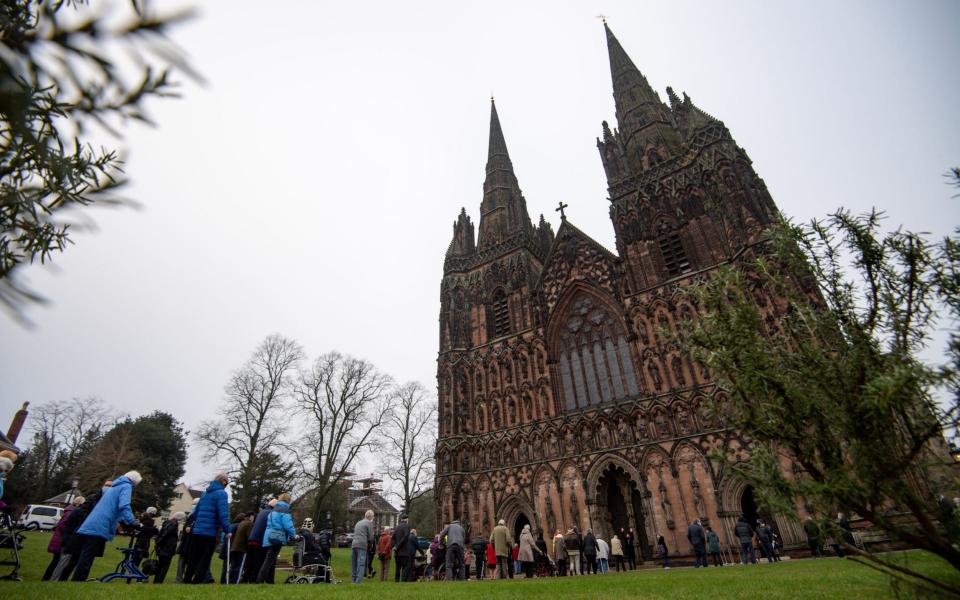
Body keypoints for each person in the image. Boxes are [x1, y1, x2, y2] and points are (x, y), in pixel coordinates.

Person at [72, 471, 142, 581]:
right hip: (101, 524)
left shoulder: (115, 486)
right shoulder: (126, 486)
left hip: (94, 522)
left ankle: (78, 578)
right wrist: (132, 521)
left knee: (86, 553)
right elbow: (124, 505)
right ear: (134, 482)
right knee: (88, 555)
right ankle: (78, 580)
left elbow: (114, 506)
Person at [184, 473, 231, 584]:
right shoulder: (222, 494)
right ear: (223, 481)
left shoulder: (205, 494)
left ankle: (186, 579)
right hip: (209, 532)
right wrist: (227, 530)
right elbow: (223, 514)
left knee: (193, 558)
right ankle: (197, 581)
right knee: (205, 559)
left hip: (197, 531)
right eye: (226, 482)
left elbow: (196, 513)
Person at [257, 493, 297, 583]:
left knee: (270, 561)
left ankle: (269, 582)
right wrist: (294, 535)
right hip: (277, 537)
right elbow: (288, 525)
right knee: (268, 561)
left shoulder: (274, 509)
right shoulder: (284, 509)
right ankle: (259, 581)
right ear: (288, 500)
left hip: (269, 536)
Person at [43, 495, 84, 580]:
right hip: (61, 540)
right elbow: (63, 526)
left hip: (59, 538)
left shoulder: (68, 511)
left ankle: (47, 578)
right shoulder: (71, 512)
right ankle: (47, 578)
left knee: (56, 561)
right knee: (57, 562)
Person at [243, 497, 276, 583]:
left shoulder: (261, 512)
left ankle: (244, 580)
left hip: (252, 539)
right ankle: (254, 580)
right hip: (260, 540)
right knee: (258, 562)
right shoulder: (271, 513)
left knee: (250, 562)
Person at [153, 511, 182, 584]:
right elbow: (166, 534)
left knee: (160, 565)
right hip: (168, 548)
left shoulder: (166, 522)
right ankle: (159, 582)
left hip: (161, 547)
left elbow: (161, 533)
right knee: (164, 566)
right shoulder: (174, 524)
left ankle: (156, 580)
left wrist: (157, 543)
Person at [175, 500, 198, 583]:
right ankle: (179, 578)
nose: (193, 506)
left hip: (190, 543)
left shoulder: (195, 516)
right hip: (186, 543)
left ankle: (182, 578)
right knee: (182, 563)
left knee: (186, 563)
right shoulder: (191, 515)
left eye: (194, 504)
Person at [350, 509, 376, 584]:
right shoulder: (369, 523)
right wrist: (370, 546)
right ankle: (358, 581)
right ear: (371, 517)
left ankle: (353, 580)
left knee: (354, 563)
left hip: (354, 544)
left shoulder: (358, 523)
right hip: (362, 545)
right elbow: (371, 537)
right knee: (361, 563)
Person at [227, 512, 253, 583]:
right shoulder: (249, 523)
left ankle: (230, 580)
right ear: (251, 516)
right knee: (240, 566)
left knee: (233, 566)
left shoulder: (241, 523)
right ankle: (237, 581)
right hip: (242, 548)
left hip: (234, 547)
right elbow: (249, 536)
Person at [391, 514, 411, 582]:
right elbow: (405, 537)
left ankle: (396, 581)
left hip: (397, 552)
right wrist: (398, 546)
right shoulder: (407, 526)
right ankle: (403, 581)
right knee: (405, 567)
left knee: (398, 568)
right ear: (407, 520)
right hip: (404, 551)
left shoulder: (397, 527)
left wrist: (394, 546)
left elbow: (392, 538)